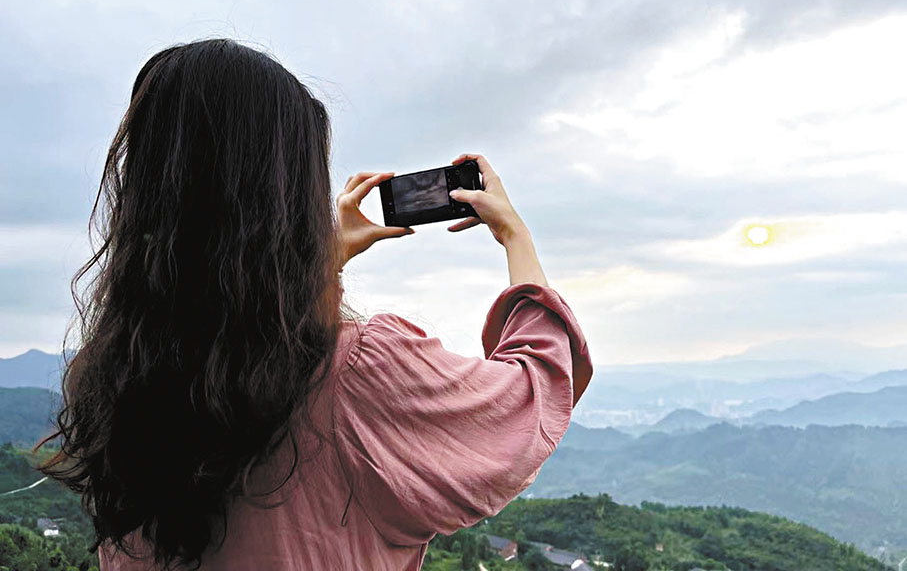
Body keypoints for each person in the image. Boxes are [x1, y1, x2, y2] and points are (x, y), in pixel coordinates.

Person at [34, 39, 594, 571]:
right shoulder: (354, 375)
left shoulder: (122, 380)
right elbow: (528, 398)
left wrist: (324, 266)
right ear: (288, 200)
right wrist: (516, 238)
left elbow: (231, 333)